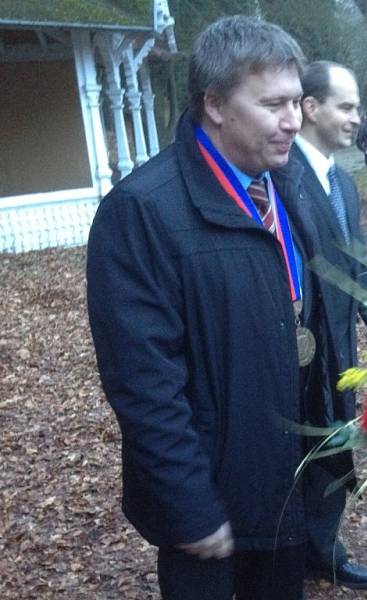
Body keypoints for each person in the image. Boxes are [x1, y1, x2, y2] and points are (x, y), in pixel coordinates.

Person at [86, 16, 316, 599]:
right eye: (274, 104)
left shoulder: (282, 182)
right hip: (212, 503)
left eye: (298, 101)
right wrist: (189, 507)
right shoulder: (142, 211)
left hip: (286, 484)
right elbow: (144, 384)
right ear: (214, 103)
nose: (294, 120)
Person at [290, 60, 367, 590]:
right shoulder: (281, 179)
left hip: (340, 354)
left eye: (358, 108)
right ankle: (288, 558)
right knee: (300, 458)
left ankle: (322, 549)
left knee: (334, 453)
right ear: (311, 108)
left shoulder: (343, 184)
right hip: (297, 358)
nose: (358, 118)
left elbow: (360, 270)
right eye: (347, 106)